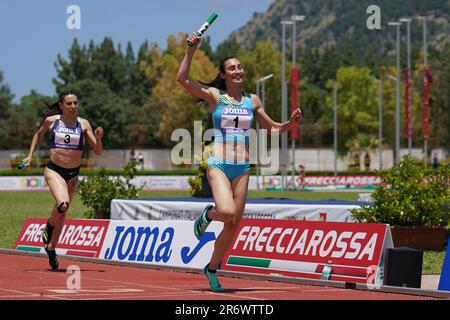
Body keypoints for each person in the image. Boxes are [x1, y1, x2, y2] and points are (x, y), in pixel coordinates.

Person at [177, 33, 302, 291]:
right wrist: (191, 50)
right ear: (223, 75)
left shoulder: (252, 100)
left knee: (233, 226)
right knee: (226, 212)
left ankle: (211, 268)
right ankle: (207, 215)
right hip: (219, 164)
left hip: (243, 168)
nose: (237, 70)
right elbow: (183, 80)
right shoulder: (215, 96)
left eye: (240, 67)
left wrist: (290, 123)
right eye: (232, 68)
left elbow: (272, 129)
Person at [21, 91, 104, 270]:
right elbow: (37, 135)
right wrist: (29, 156)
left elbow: (98, 151)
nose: (73, 106)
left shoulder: (83, 124)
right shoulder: (52, 121)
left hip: (73, 174)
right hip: (54, 170)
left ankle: (51, 248)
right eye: (69, 104)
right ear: (61, 105)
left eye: (75, 103)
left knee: (63, 212)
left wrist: (98, 139)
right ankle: (49, 225)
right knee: (63, 204)